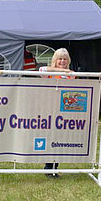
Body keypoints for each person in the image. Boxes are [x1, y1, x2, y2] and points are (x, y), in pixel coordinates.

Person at [39, 48, 74, 178]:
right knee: (50, 138)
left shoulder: (72, 74)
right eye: (60, 59)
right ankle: (48, 167)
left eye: (65, 59)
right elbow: (40, 70)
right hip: (49, 110)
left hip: (65, 112)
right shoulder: (49, 72)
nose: (62, 61)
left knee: (59, 139)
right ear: (55, 60)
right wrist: (62, 70)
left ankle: (55, 167)